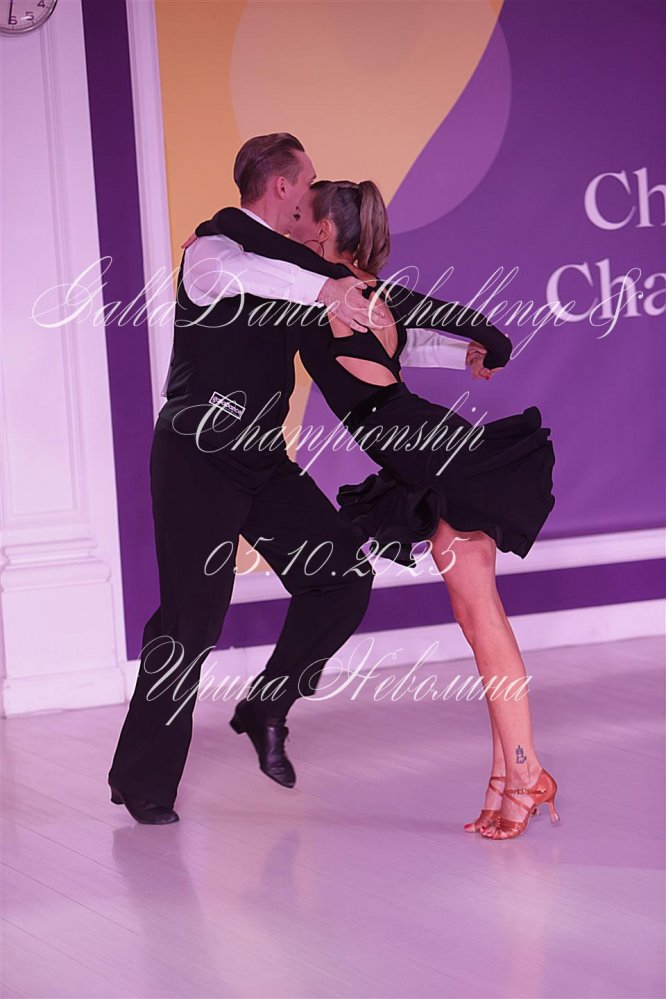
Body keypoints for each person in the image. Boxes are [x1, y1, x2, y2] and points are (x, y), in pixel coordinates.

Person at [200, 180, 560, 840]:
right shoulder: (370, 295)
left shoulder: (324, 296)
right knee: (476, 619)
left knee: (481, 620)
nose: (291, 223)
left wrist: (215, 229)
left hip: (438, 458)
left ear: (322, 232)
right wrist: (478, 350)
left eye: (301, 217)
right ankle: (507, 780)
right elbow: (485, 335)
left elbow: (256, 249)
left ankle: (526, 773)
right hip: (424, 456)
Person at [107, 135, 396, 825]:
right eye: (307, 181)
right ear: (281, 188)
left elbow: (367, 331)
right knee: (190, 622)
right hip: (198, 457)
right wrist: (322, 285)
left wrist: (462, 342)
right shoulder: (213, 253)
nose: (313, 195)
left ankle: (267, 702)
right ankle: (142, 782)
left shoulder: (295, 268)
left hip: (261, 461)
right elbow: (250, 275)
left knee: (342, 576)